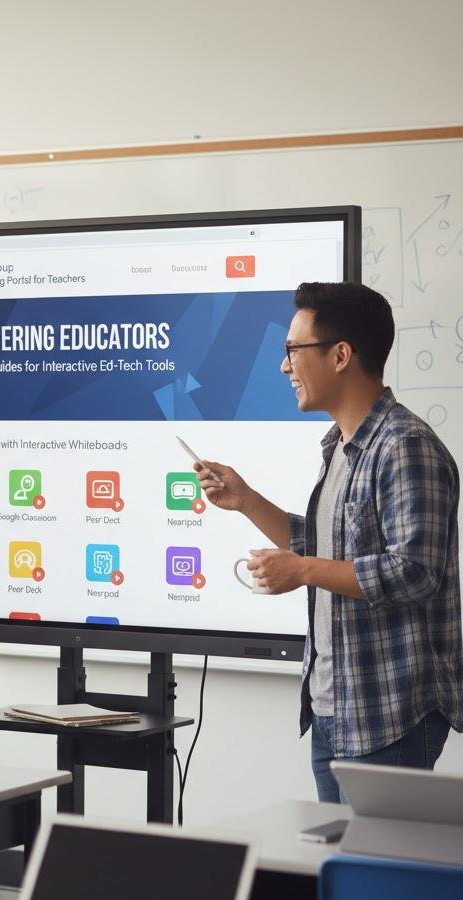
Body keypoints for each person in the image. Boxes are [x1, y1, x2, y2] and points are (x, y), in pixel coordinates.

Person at [197, 281, 462, 803]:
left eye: (292, 350)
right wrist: (246, 499)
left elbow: (414, 572)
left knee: (381, 878)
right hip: (333, 706)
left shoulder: (405, 447)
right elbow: (324, 546)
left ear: (340, 355)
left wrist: (303, 571)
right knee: (343, 869)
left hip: (389, 712)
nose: (284, 366)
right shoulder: (341, 447)